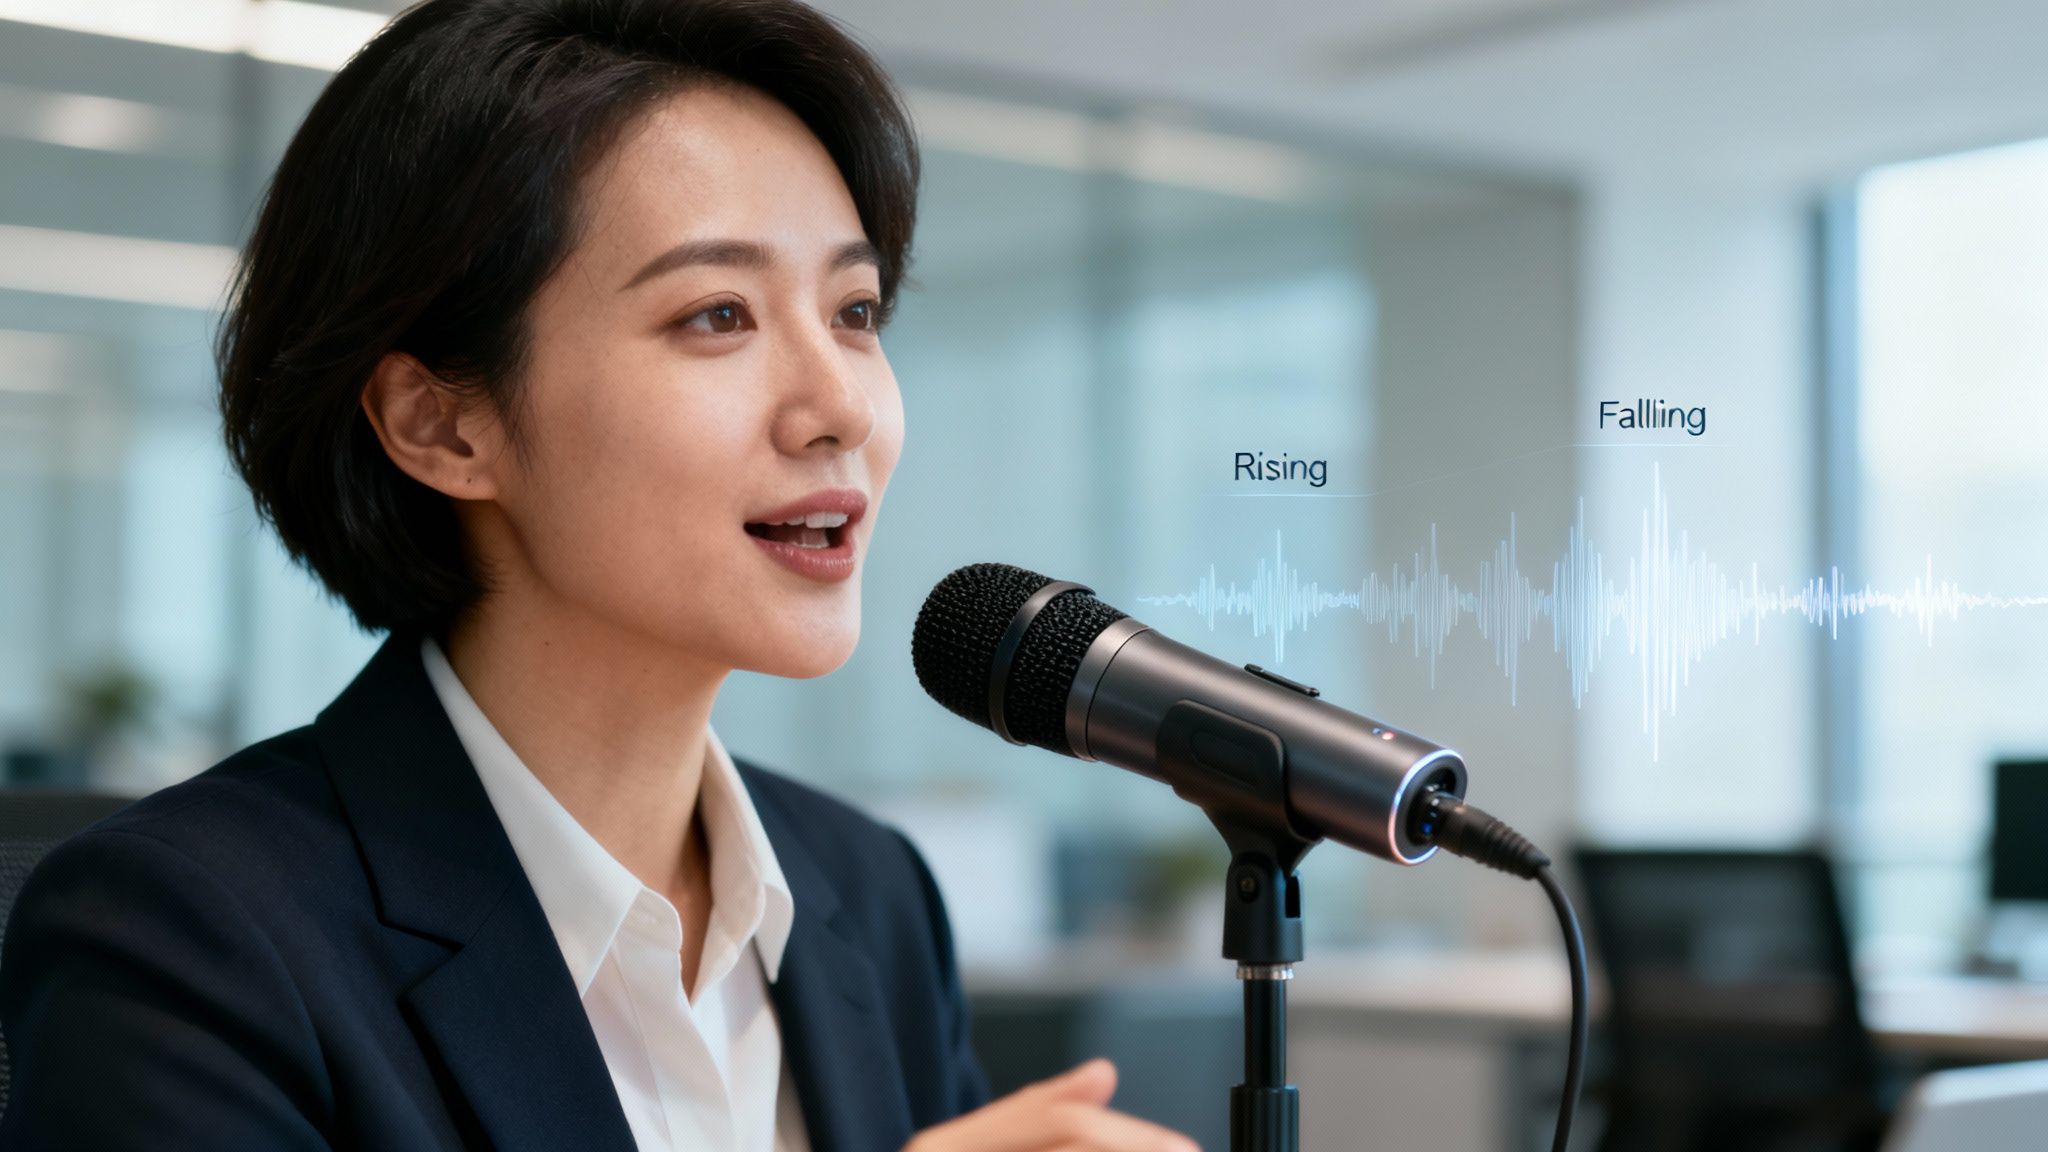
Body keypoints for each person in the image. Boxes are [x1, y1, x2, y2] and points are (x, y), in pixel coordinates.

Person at [0, 2, 1197, 1150]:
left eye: (854, 308)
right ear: (441, 426)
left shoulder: (866, 894)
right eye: (717, 314)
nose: (839, 405)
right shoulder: (188, 936)